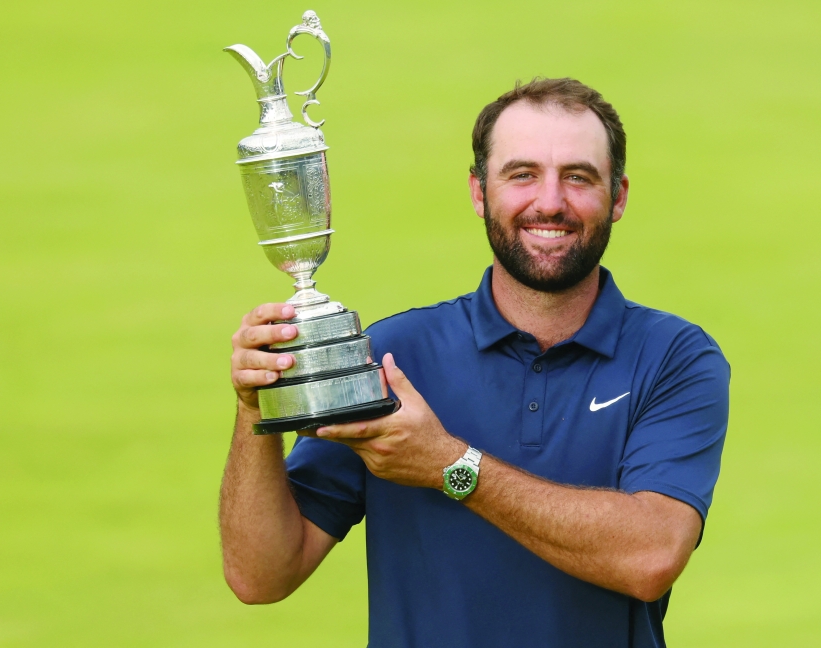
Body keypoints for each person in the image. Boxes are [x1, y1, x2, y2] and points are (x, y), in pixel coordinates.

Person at [219, 78, 729, 648]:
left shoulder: (675, 358)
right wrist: (255, 406)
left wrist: (448, 464)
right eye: (522, 174)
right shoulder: (394, 355)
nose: (550, 201)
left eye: (579, 177)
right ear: (479, 191)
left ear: (620, 195)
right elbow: (260, 575)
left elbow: (651, 555)